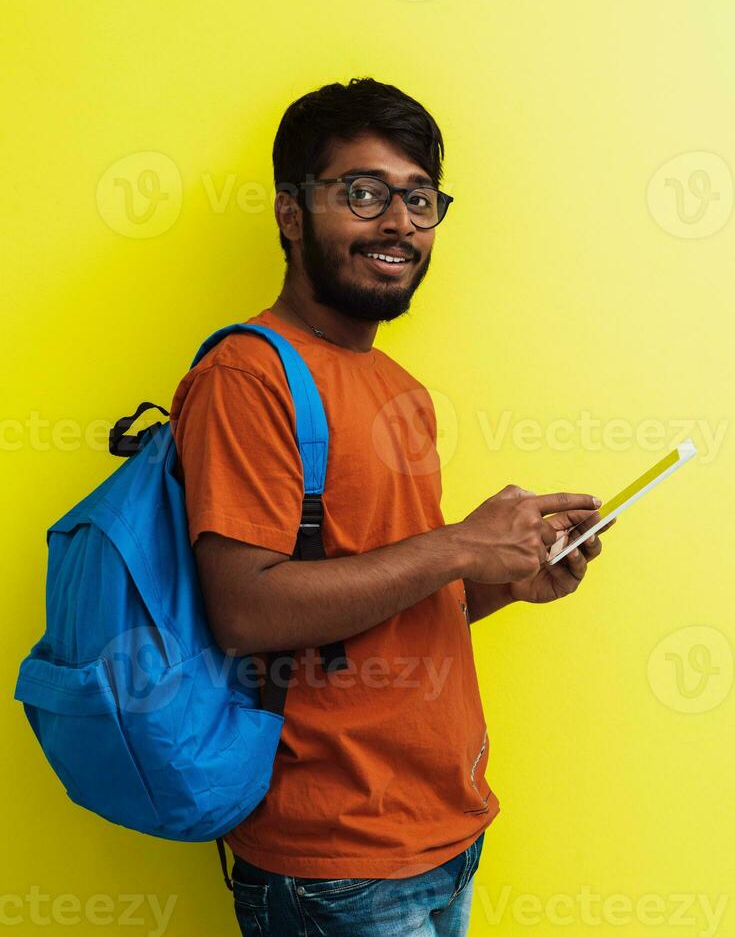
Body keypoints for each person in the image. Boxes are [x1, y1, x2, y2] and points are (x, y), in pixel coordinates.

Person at [169, 77, 615, 936]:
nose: (399, 222)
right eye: (363, 193)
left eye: (418, 198)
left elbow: (380, 598)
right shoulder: (247, 374)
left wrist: (501, 575)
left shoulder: (399, 391)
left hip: (442, 833)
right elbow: (245, 608)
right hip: (336, 859)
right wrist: (457, 546)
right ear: (292, 213)